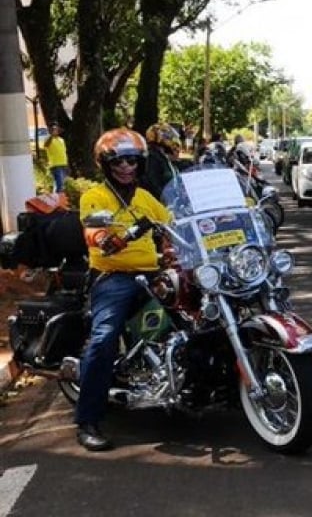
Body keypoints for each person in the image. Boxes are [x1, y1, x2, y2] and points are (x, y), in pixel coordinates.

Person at [75, 128, 172, 452]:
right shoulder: (96, 196)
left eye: (132, 160)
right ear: (106, 165)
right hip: (114, 277)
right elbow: (93, 231)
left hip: (154, 272)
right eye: (118, 161)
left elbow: (173, 222)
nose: (126, 167)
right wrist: (106, 238)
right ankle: (88, 420)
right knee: (103, 340)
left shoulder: (145, 198)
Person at [140, 123, 187, 198]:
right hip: (160, 203)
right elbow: (153, 184)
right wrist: (167, 198)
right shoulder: (153, 157)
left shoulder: (164, 157)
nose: (173, 138)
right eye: (169, 135)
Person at [42, 122, 69, 192]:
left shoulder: (61, 140)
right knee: (59, 185)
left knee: (62, 186)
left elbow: (64, 153)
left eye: (56, 129)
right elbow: (46, 145)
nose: (55, 131)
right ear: (50, 130)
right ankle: (56, 201)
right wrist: (51, 135)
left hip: (63, 165)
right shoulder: (48, 139)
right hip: (55, 165)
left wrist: (67, 164)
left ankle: (58, 200)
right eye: (53, 129)